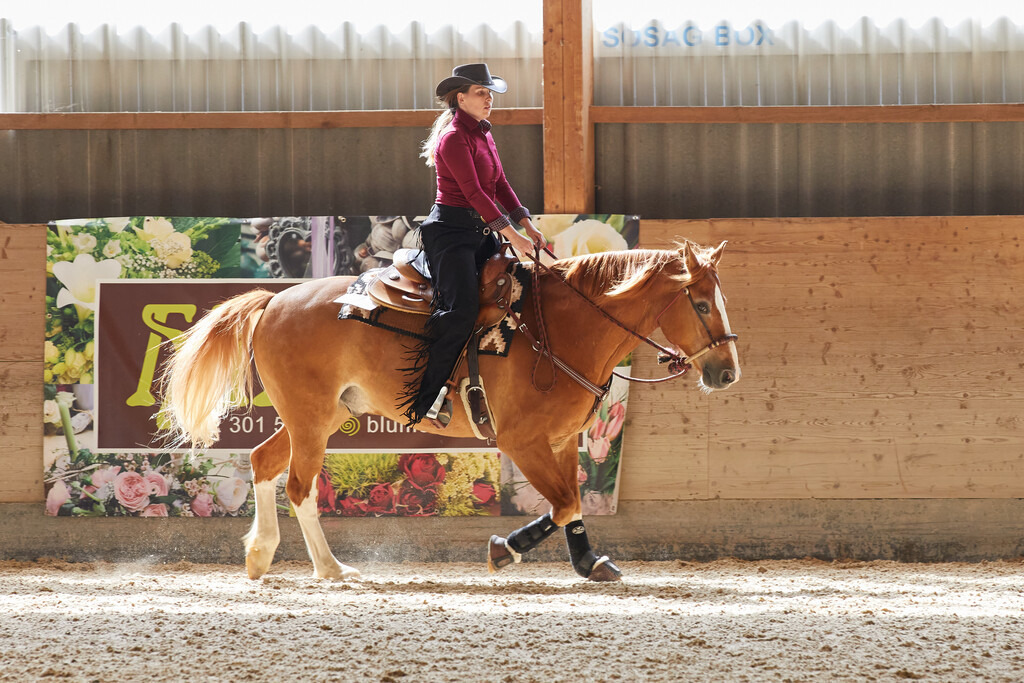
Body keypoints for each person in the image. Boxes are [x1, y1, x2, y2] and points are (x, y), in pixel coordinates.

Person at [399, 63, 546, 426]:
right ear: (460, 98)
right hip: (450, 235)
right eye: (481, 92)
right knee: (461, 311)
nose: (489, 98)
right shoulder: (452, 138)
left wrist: (527, 222)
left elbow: (500, 185)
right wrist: (513, 235)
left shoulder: (483, 134)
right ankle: (428, 399)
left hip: (480, 233)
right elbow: (475, 194)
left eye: (490, 92)